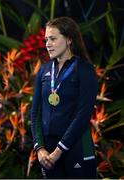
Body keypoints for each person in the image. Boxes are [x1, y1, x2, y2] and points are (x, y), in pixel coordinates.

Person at [31, 16, 98, 179]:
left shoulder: (85, 71)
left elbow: (83, 116)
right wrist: (40, 148)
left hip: (77, 148)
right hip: (47, 152)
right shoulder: (44, 70)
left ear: (69, 39)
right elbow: (35, 113)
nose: (47, 44)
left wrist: (58, 151)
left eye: (53, 39)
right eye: (46, 39)